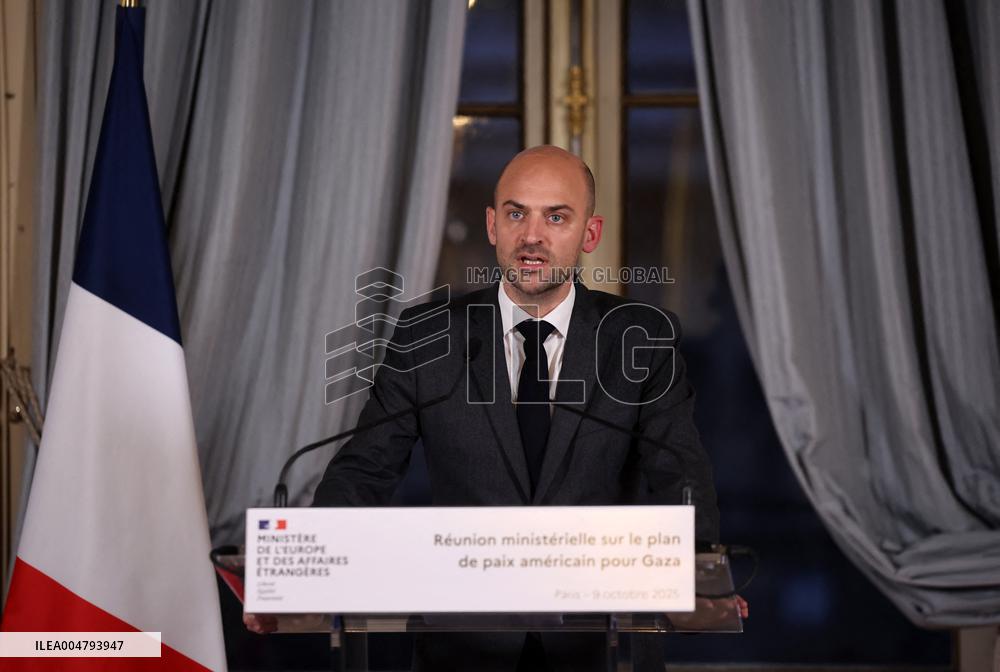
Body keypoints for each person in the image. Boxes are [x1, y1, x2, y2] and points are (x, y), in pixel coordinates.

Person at [248, 145, 747, 670]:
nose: (532, 236)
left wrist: (698, 571)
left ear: (590, 234)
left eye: (556, 217)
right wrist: (300, 580)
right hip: (463, 648)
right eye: (516, 214)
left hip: (601, 645)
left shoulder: (639, 340)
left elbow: (680, 472)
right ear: (491, 225)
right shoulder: (429, 335)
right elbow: (365, 468)